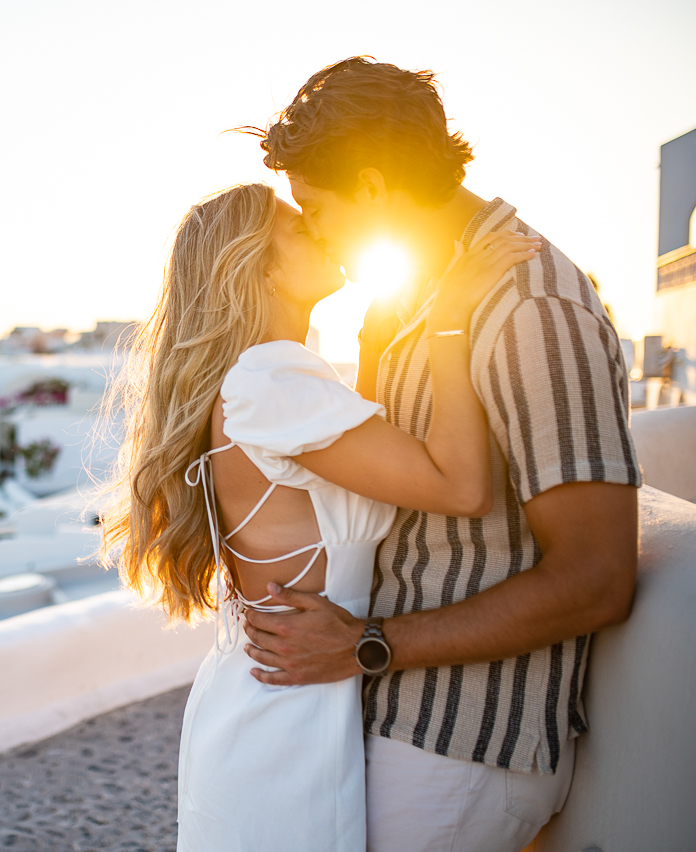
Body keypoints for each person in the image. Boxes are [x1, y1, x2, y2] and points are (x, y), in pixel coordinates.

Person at [240, 57, 642, 852]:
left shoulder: (531, 306)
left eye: (316, 210)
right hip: (396, 714)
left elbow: (597, 577)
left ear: (375, 186)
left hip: (463, 743)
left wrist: (366, 643)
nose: (312, 231)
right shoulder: (424, 298)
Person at [102, 182, 538, 850]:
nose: (326, 233)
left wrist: (377, 335)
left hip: (268, 700)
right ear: (262, 267)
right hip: (283, 721)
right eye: (301, 230)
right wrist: (452, 318)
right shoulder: (269, 379)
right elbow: (460, 486)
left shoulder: (268, 380)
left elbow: (359, 460)